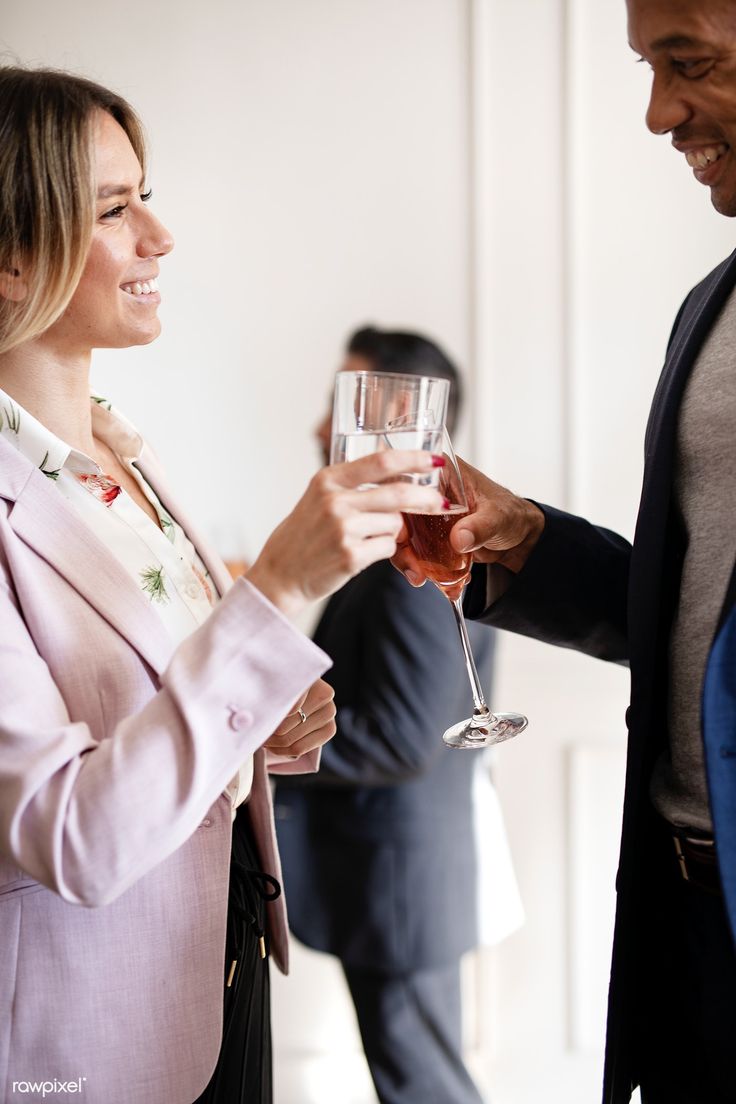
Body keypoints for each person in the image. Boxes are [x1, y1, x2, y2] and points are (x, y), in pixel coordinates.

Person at [0, 67, 445, 1104]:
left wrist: (265, 720)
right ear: (10, 261)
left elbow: (168, 707)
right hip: (84, 1041)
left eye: (144, 192)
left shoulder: (121, 463)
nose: (159, 235)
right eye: (115, 208)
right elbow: (74, 833)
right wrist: (281, 587)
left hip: (217, 981)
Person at [392, 2, 736, 1101]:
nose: (657, 112)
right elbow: (691, 610)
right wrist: (526, 542)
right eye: (648, 68)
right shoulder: (712, 305)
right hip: (685, 908)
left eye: (686, 64)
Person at [275, 327, 522, 1104]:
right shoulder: (392, 542)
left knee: (424, 1091)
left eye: (341, 405)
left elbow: (405, 739)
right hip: (399, 875)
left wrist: (264, 743)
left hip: (395, 884)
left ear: (400, 423)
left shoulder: (409, 556)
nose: (322, 428)